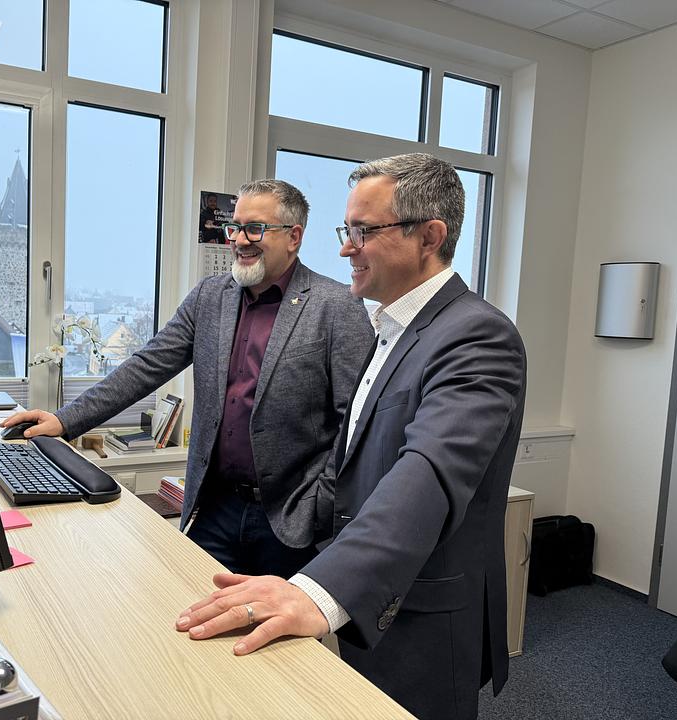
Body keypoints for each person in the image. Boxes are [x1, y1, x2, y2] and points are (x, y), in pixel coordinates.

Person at [176, 154, 527, 720]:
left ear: (429, 237)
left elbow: (426, 473)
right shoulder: (390, 325)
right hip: (365, 589)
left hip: (420, 608)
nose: (346, 249)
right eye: (348, 231)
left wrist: (317, 590)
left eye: (363, 232)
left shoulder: (477, 336)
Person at [2, 179, 373, 579]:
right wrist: (65, 419)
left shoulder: (337, 306)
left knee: (270, 622)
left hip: (291, 520)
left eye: (255, 229)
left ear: (294, 237)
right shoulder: (210, 296)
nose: (239, 240)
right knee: (190, 609)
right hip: (214, 509)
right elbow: (147, 365)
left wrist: (321, 505)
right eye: (235, 227)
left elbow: (356, 423)